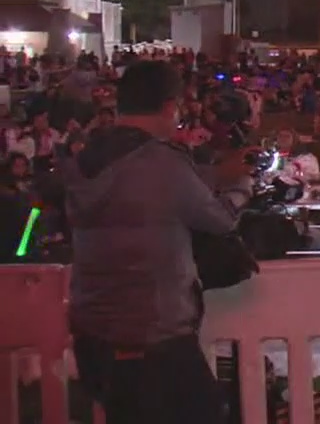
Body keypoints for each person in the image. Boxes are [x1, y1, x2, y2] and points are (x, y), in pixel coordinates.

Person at [65, 60, 244, 424]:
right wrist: (241, 187)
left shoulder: (84, 160)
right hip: (153, 337)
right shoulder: (160, 161)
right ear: (168, 106)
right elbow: (219, 219)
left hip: (93, 336)